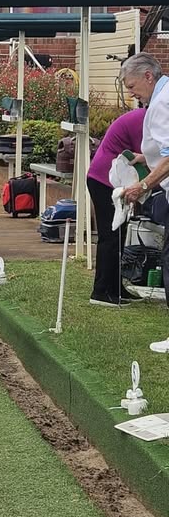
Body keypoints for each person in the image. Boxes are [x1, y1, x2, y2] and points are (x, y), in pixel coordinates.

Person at [120, 53, 169, 350]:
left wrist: (142, 185)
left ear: (148, 76)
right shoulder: (163, 95)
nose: (131, 93)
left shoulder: (162, 102)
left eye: (132, 86)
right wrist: (145, 157)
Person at [86, 106, 145, 306]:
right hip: (104, 180)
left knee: (119, 236)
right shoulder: (142, 120)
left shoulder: (144, 117)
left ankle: (115, 287)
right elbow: (145, 156)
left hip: (114, 179)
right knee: (110, 236)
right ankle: (101, 291)